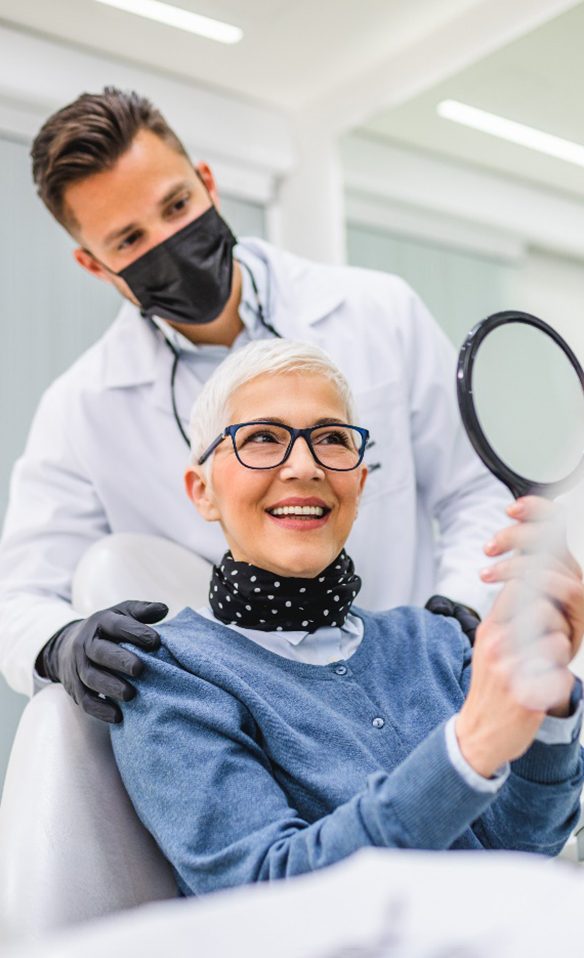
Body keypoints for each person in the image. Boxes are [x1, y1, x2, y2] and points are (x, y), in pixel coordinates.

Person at [0, 87, 510, 723]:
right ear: (94, 265)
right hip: (265, 723)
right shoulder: (82, 409)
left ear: (208, 184)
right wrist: (60, 643)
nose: (170, 242)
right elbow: (22, 594)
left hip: (427, 680)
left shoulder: (379, 313)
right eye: (130, 239)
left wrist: (455, 614)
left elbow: (473, 493)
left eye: (178, 205)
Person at [110, 339, 584, 898]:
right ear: (202, 491)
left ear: (358, 482)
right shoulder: (171, 678)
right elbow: (268, 896)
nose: (305, 467)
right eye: (263, 438)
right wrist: (469, 748)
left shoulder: (435, 642)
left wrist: (547, 705)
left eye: (332, 439)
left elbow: (523, 847)